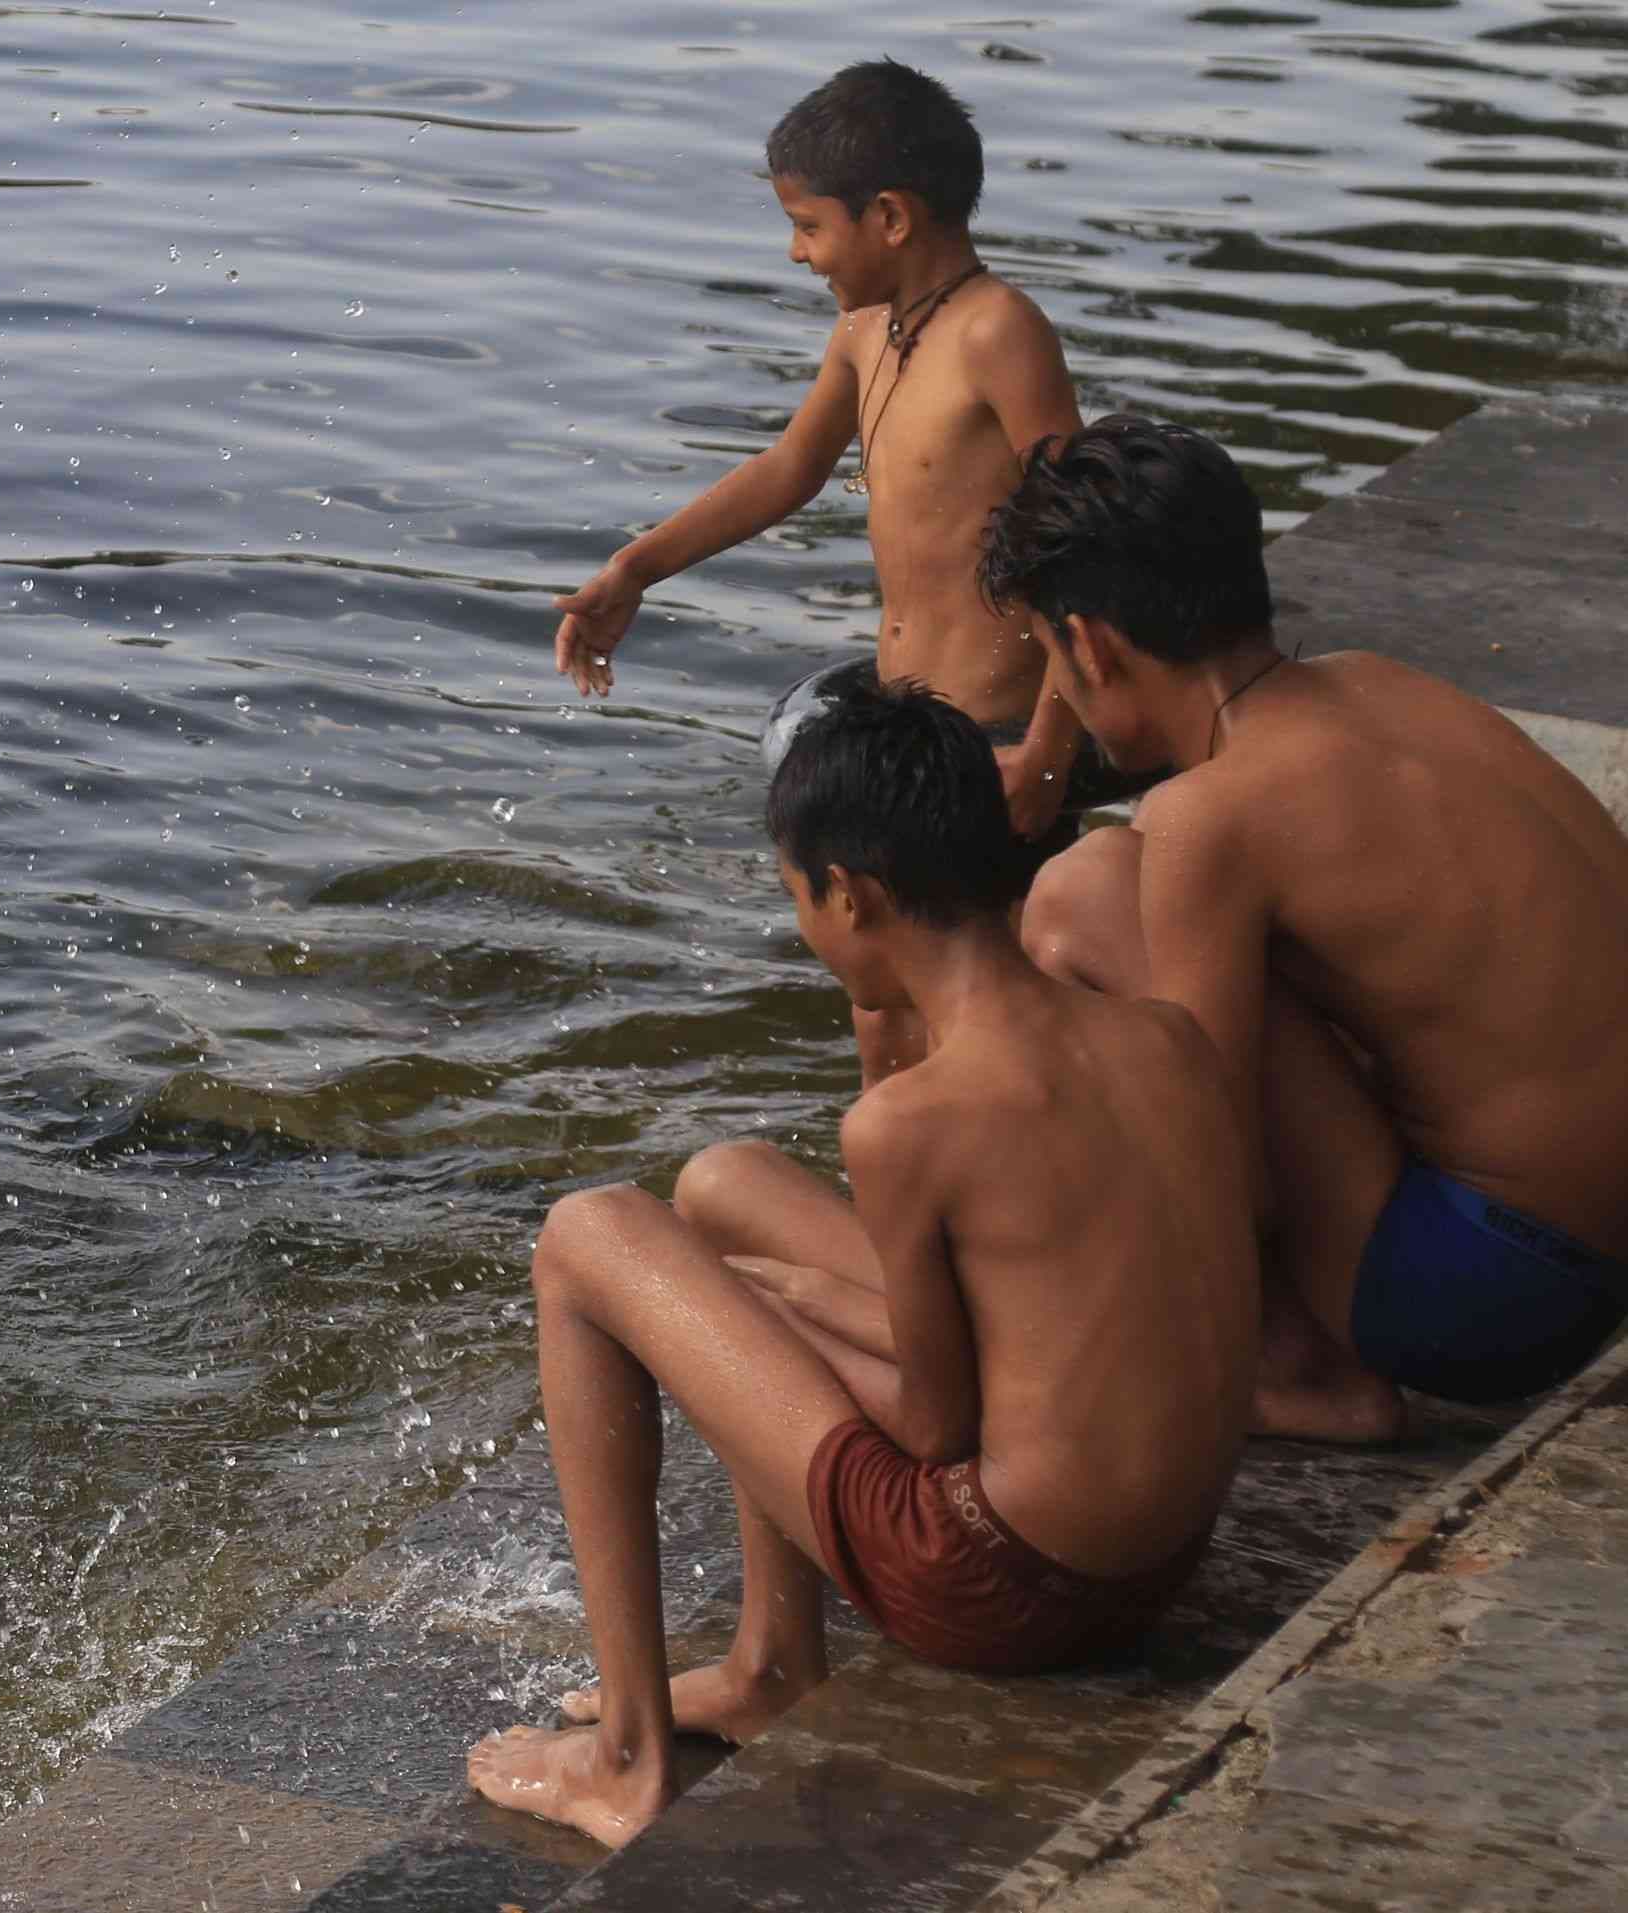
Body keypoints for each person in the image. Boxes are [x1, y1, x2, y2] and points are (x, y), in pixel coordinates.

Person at [464, 673, 1255, 1847]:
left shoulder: (908, 1122)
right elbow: (1047, 1331)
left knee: (590, 1234)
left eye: (799, 898)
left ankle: (625, 1757)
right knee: (723, 1184)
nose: (805, 927)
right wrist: (777, 1303)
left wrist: (773, 1320)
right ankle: (772, 1662)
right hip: (1161, 1555)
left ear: (851, 892)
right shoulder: (1162, 1033)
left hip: (1011, 1584)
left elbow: (938, 1429)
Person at [1003, 415, 1628, 1441]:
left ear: (1090, 644)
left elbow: (1213, 1167)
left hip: (1495, 1296)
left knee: (1084, 892)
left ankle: (1293, 1367)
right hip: (1592, 1250)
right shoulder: (1378, 681)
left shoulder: (1210, 817)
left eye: (1046, 654)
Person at [548, 58, 1106, 1081]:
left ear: (889, 215)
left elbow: (1079, 537)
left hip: (992, 738)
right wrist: (636, 567)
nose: (797, 252)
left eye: (809, 226)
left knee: (985, 997)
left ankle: (997, 1189)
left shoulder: (999, 331)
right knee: (884, 1000)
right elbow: (787, 468)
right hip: (907, 716)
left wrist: (1050, 748)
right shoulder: (864, 334)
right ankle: (894, 1196)